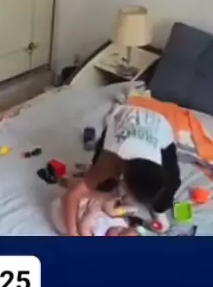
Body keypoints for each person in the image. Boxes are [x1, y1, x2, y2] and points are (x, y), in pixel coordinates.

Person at [60, 98, 182, 236]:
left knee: (170, 188)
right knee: (103, 185)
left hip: (159, 127)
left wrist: (159, 208)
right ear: (123, 178)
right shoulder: (110, 162)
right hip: (124, 119)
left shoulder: (159, 163)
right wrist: (72, 234)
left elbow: (168, 183)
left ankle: (159, 209)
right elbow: (72, 195)